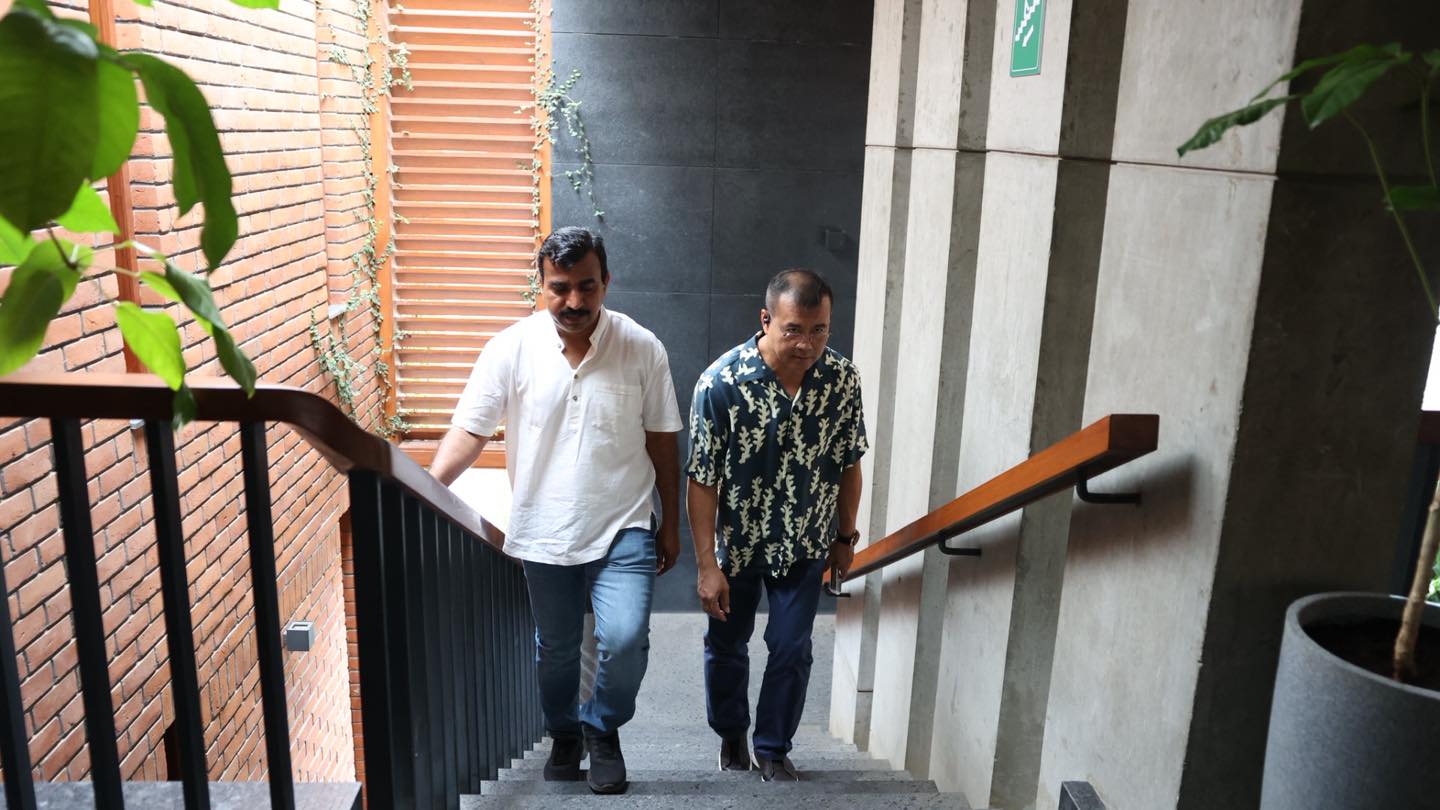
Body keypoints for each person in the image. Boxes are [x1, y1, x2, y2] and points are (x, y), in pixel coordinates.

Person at [430, 226, 683, 795]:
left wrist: (672, 524)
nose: (574, 301)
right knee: (557, 650)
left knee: (624, 640)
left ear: (606, 282)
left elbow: (663, 442)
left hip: (625, 524)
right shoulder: (510, 347)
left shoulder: (642, 347)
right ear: (541, 285)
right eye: (560, 288)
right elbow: (470, 430)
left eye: (586, 286)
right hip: (543, 528)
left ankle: (603, 729)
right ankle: (565, 734)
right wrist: (424, 485)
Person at [685, 268, 867, 781]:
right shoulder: (720, 383)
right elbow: (702, 480)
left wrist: (845, 536)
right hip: (737, 545)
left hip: (805, 543)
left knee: (791, 647)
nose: (807, 343)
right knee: (727, 645)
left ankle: (772, 748)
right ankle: (731, 734)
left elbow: (849, 462)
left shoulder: (842, 380)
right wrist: (706, 565)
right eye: (794, 330)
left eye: (819, 330)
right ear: (766, 320)